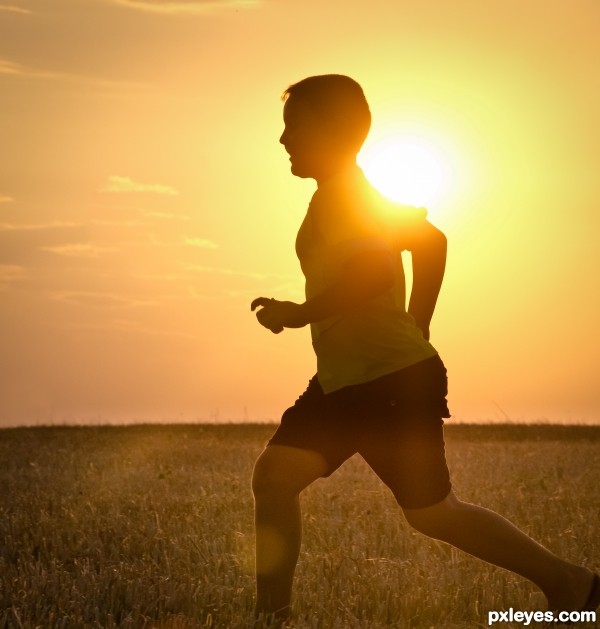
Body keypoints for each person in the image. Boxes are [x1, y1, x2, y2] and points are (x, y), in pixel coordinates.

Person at [250, 74, 598, 626]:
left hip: (389, 381)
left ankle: (572, 585)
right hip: (348, 379)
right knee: (274, 478)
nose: (283, 139)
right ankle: (270, 617)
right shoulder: (348, 194)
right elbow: (431, 241)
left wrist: (299, 313)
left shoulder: (349, 197)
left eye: (293, 126)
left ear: (332, 131)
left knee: (433, 514)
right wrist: (420, 322)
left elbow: (371, 275)